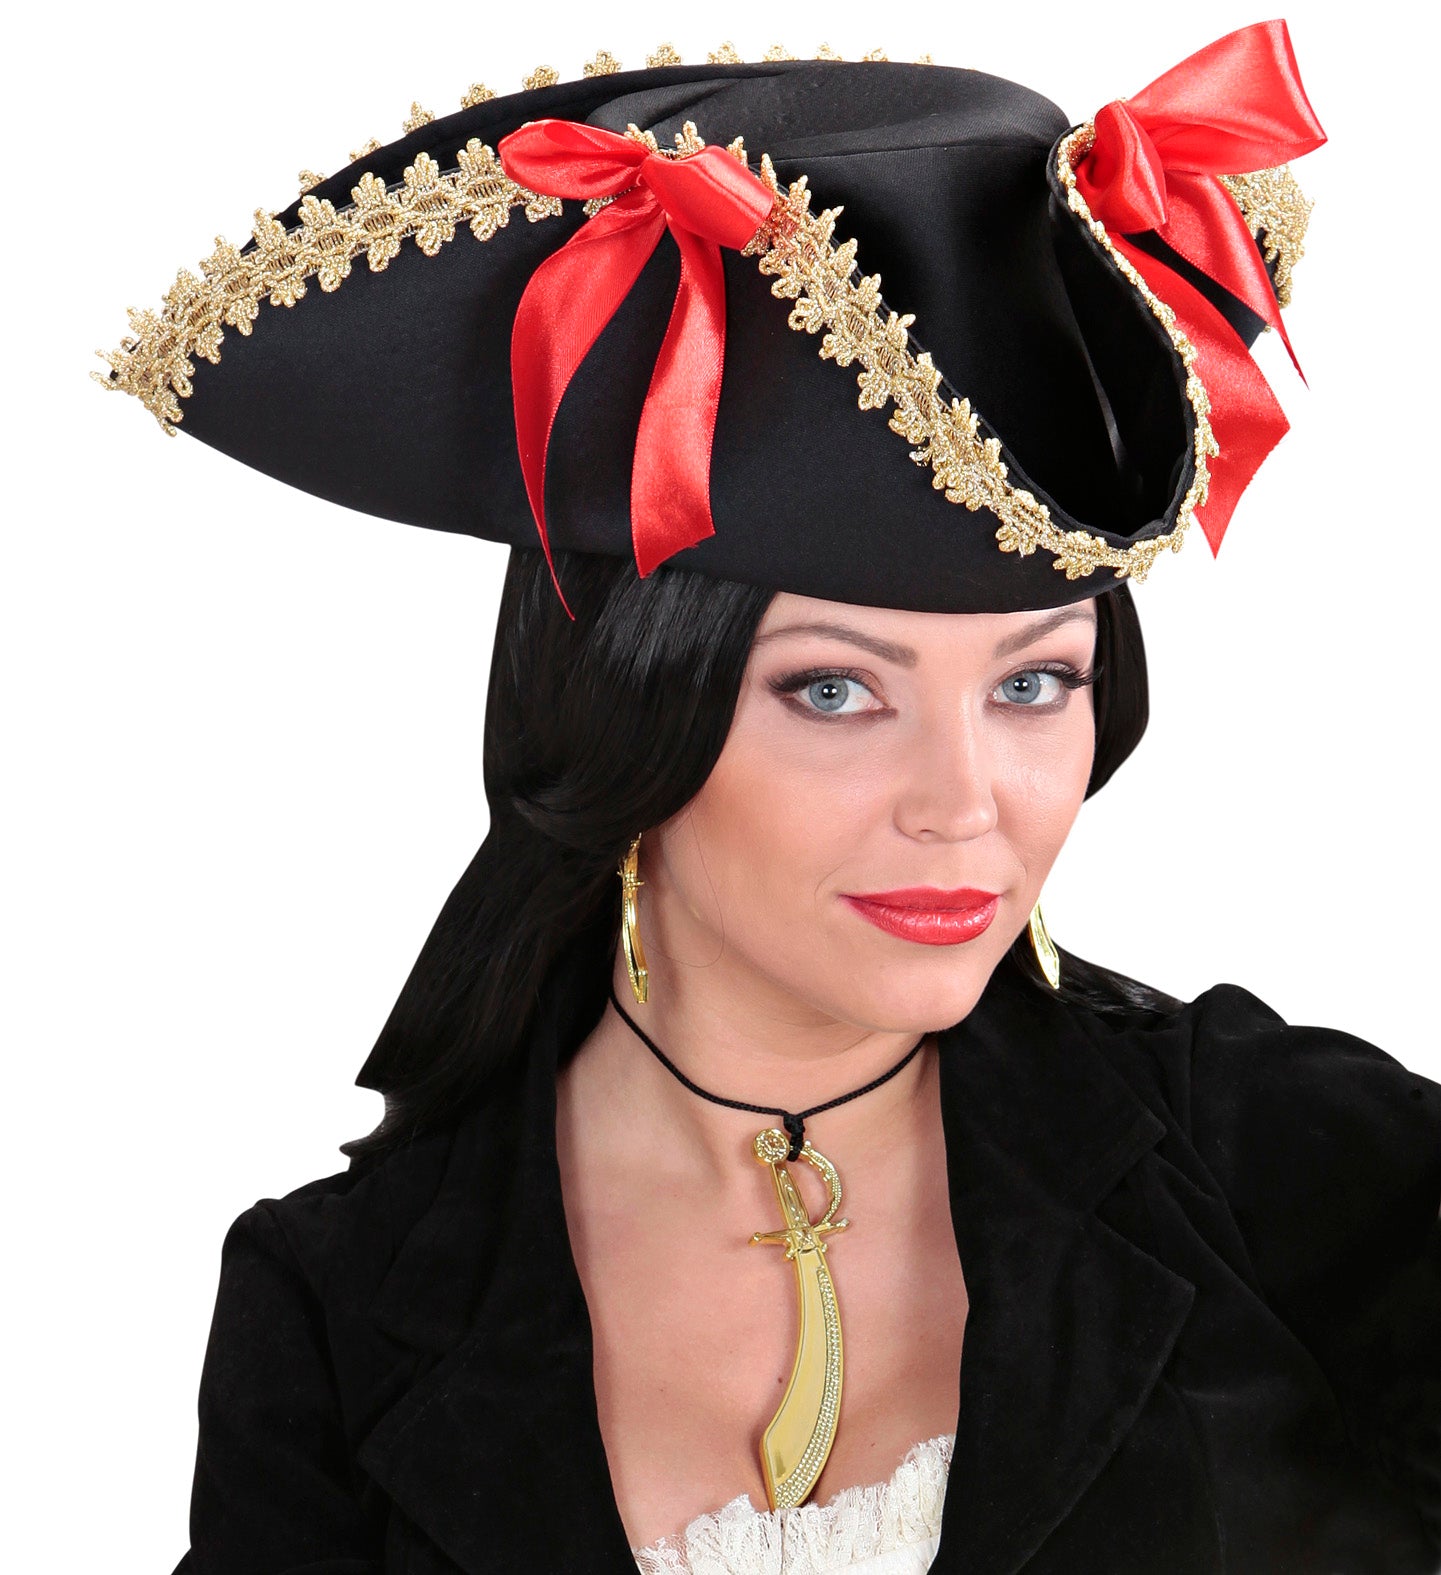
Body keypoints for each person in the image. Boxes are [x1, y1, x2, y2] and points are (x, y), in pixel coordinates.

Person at [95, 22, 1441, 1575]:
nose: (963, 805)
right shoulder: (337, 1302)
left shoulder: (1288, 1158)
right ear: (626, 711)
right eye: (833, 692)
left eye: (1029, 686)